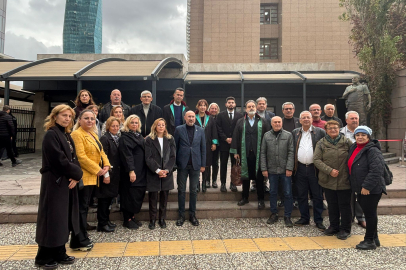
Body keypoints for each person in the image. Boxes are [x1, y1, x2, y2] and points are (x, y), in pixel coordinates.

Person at [35, 105, 84, 269]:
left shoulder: (66, 135)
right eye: (64, 115)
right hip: (54, 183)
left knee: (63, 219)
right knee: (52, 219)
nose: (67, 119)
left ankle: (59, 252)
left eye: (70, 116)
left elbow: (73, 158)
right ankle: (43, 257)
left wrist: (76, 176)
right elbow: (60, 160)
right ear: (54, 116)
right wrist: (77, 174)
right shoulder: (51, 135)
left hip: (66, 182)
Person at [70, 110, 111, 249]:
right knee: (81, 209)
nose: (89, 121)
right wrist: (97, 169)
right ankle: (79, 238)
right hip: (84, 177)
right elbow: (81, 157)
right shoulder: (76, 134)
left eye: (92, 119)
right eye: (86, 118)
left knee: (85, 207)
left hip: (93, 177)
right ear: (79, 120)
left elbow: (102, 152)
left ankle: (81, 236)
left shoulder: (93, 134)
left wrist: (106, 165)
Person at [348, 126, 386, 250]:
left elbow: (377, 170)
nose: (360, 137)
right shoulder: (355, 147)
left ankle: (369, 240)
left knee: (369, 214)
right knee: (371, 212)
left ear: (368, 137)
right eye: (357, 135)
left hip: (371, 188)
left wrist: (366, 186)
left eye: (363, 135)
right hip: (360, 187)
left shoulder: (372, 150)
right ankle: (375, 238)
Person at [314, 120, 353, 240]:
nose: (333, 130)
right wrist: (329, 170)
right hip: (328, 179)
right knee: (332, 205)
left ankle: (345, 228)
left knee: (345, 205)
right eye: (330, 128)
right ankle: (334, 226)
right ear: (326, 130)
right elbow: (316, 160)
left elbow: (354, 157)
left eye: (335, 127)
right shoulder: (321, 143)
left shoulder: (347, 142)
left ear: (339, 129)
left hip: (344, 179)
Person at [230, 100, 271, 209]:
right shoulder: (240, 121)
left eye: (253, 106)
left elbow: (268, 137)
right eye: (249, 106)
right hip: (245, 154)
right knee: (245, 176)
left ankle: (261, 199)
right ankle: (245, 198)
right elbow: (236, 136)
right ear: (246, 109)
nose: (251, 108)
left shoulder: (263, 121)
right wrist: (236, 152)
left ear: (256, 108)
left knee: (259, 177)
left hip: (259, 154)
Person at [292, 111, 326, 231]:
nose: (306, 119)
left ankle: (318, 220)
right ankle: (304, 218)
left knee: (317, 195)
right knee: (301, 195)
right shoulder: (295, 133)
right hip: (300, 168)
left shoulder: (320, 132)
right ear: (300, 120)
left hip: (315, 169)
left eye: (308, 117)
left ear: (312, 119)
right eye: (303, 118)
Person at [260, 116, 294, 227]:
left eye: (279, 122)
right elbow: (263, 153)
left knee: (288, 193)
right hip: (272, 170)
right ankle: (274, 213)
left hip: (285, 170)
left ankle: (287, 215)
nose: (277, 124)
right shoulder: (266, 135)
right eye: (275, 122)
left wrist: (289, 168)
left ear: (282, 123)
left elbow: (291, 152)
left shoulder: (288, 135)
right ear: (271, 123)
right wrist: (264, 168)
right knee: (273, 192)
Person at [174, 111, 206, 227]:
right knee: (181, 190)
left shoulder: (200, 130)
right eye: (189, 117)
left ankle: (192, 215)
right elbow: (175, 147)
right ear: (185, 118)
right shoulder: (179, 129)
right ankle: (181, 215)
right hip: (182, 165)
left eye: (193, 117)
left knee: (193, 191)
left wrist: (203, 164)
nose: (191, 118)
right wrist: (175, 163)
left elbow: (203, 148)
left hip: (195, 165)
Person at [145, 118, 176, 230]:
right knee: (153, 197)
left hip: (166, 172)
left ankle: (162, 219)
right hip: (154, 172)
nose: (161, 127)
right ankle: (152, 219)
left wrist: (167, 170)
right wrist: (158, 170)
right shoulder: (149, 139)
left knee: (164, 197)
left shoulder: (170, 138)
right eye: (159, 125)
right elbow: (148, 157)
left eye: (163, 125)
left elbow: (173, 157)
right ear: (155, 126)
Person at [118, 115, 147, 230]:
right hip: (131, 170)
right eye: (132, 123)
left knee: (137, 193)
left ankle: (133, 216)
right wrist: (131, 170)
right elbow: (127, 155)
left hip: (141, 170)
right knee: (129, 194)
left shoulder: (139, 136)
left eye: (136, 123)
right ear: (127, 124)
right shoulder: (125, 137)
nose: (134, 125)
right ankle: (127, 219)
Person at [340, 111, 366, 228]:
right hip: (346, 167)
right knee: (348, 194)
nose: (354, 120)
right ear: (346, 120)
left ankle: (361, 217)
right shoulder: (340, 133)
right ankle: (349, 217)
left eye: (356, 118)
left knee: (361, 194)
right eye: (352, 118)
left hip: (361, 168)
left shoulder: (365, 132)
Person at [97, 117, 121, 233]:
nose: (115, 128)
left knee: (109, 199)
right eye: (113, 126)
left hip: (114, 174)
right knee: (104, 200)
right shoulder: (105, 138)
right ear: (108, 127)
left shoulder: (116, 138)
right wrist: (106, 174)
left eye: (117, 126)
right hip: (107, 174)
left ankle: (106, 221)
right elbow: (102, 157)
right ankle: (102, 223)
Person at [216, 97, 243, 192]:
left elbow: (240, 129)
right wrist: (225, 138)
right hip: (224, 144)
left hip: (235, 145)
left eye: (232, 102)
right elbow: (218, 128)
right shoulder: (220, 115)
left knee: (234, 165)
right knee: (223, 164)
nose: (231, 104)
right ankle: (223, 184)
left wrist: (234, 139)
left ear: (235, 104)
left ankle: (233, 183)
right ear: (226, 104)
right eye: (229, 102)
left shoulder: (240, 115)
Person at [194, 99, 218, 192]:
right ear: (197, 106)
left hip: (207, 145)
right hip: (196, 144)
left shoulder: (210, 118)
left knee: (206, 164)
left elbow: (214, 131)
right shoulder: (194, 117)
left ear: (206, 107)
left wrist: (214, 143)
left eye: (204, 105)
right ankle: (197, 183)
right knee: (196, 164)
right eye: (201, 105)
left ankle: (204, 183)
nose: (202, 107)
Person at [281, 102, 301, 209]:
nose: (288, 110)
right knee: (283, 178)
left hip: (297, 155)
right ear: (283, 110)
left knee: (296, 179)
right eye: (286, 109)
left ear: (294, 110)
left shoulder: (299, 121)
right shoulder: (279, 122)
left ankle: (296, 199)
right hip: (282, 154)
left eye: (290, 108)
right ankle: (283, 199)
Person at [253, 97, 275, 193]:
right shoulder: (251, 114)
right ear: (257, 105)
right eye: (260, 104)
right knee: (255, 163)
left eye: (263, 104)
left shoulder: (271, 115)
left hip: (267, 143)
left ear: (266, 105)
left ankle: (265, 184)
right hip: (254, 143)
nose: (262, 105)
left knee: (265, 164)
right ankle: (254, 184)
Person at [207, 102, 220, 188]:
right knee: (207, 162)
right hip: (208, 143)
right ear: (209, 109)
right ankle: (207, 180)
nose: (214, 110)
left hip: (218, 144)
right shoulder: (206, 118)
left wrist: (215, 143)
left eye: (215, 108)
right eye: (212, 108)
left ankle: (214, 180)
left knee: (215, 163)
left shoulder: (220, 118)